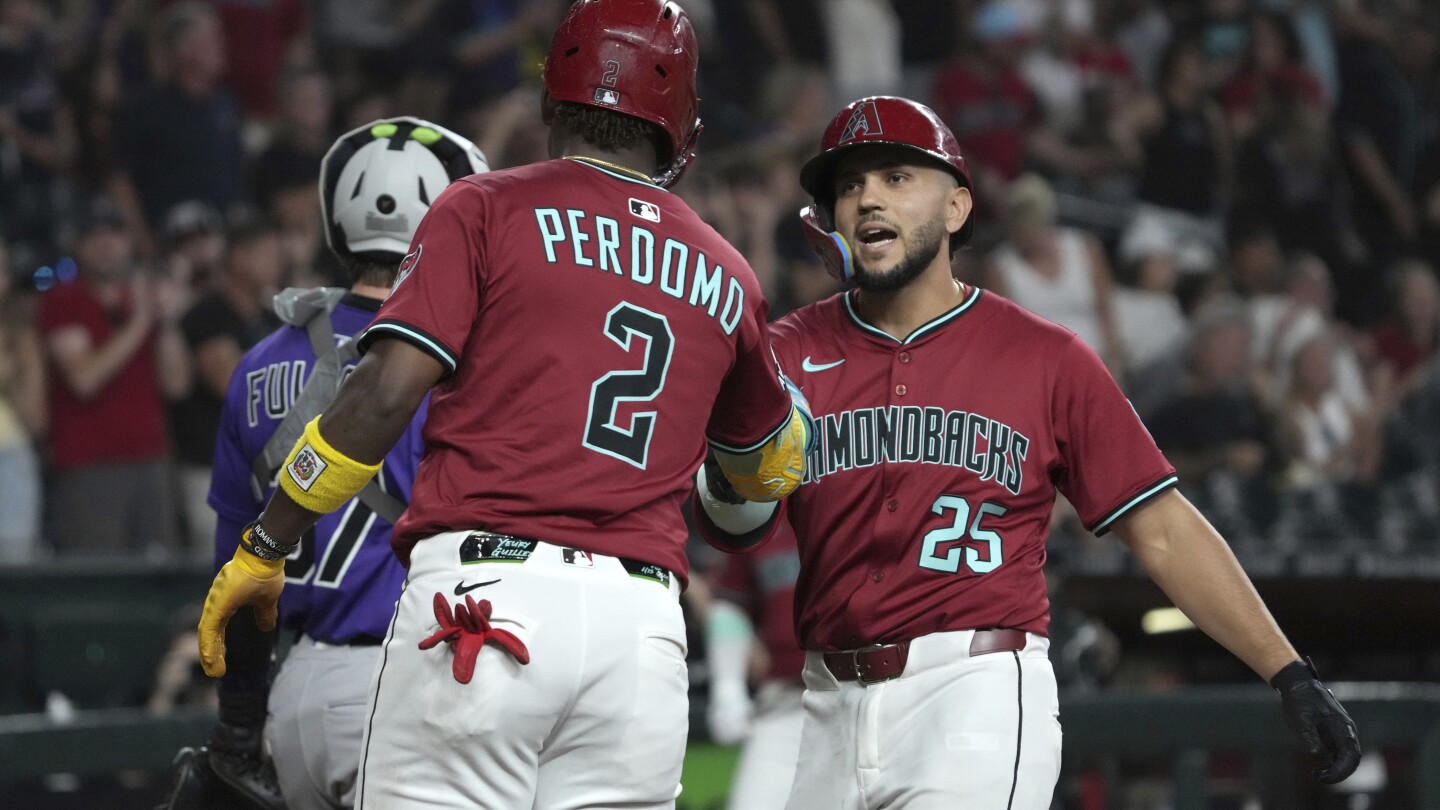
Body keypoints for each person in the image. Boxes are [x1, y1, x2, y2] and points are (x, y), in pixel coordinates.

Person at [196, 1, 813, 807]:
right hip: (640, 630)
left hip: (488, 603)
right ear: (679, 126)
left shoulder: (484, 205)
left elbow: (382, 395)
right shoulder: (730, 269)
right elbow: (764, 473)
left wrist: (268, 540)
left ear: (553, 98)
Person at [693, 95, 1362, 809]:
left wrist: (1288, 672)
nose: (865, 199)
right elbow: (727, 526)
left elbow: (1162, 530)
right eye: (849, 185)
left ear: (956, 208)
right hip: (824, 704)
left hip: (973, 692)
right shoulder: (786, 352)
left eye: (894, 177)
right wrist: (741, 470)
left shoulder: (1046, 359)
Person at [202, 117, 489, 810]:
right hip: (410, 679)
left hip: (298, 691)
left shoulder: (259, 364)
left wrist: (239, 724)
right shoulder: (460, 363)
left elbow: (235, 576)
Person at [36, 197, 189, 555]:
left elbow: (177, 384)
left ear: (129, 242)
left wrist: (165, 325)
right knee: (96, 585)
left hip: (151, 458)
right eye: (93, 235)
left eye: (114, 234)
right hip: (90, 464)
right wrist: (141, 322)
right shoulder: (64, 300)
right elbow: (84, 380)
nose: (105, 244)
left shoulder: (144, 300)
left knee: (159, 578)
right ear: (77, 244)